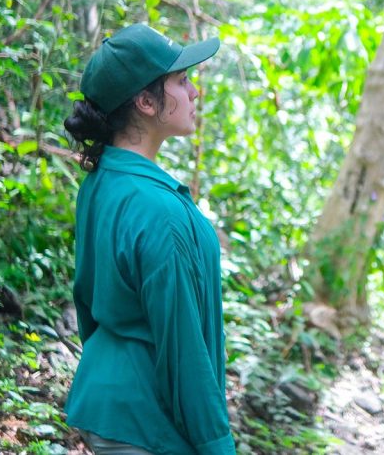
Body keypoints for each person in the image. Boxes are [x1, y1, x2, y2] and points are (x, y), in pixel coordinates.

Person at [63, 24, 235, 455]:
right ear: (144, 101)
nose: (194, 91)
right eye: (181, 80)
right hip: (147, 422)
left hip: (110, 403)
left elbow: (86, 300)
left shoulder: (101, 182)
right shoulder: (158, 211)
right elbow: (184, 349)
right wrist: (217, 445)